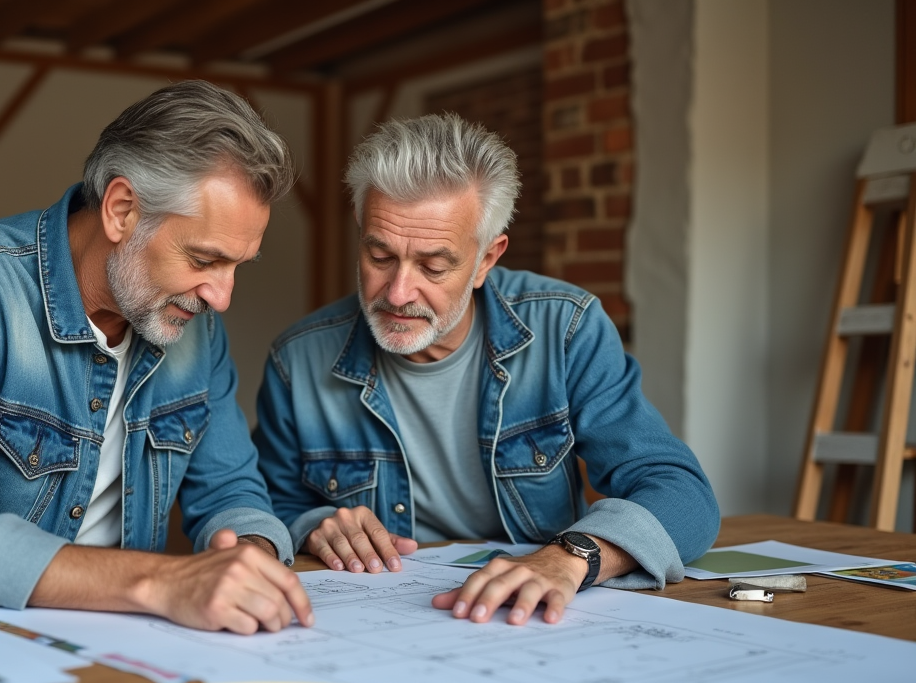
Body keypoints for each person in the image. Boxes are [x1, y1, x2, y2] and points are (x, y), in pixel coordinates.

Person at [0, 80, 313, 635]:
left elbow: (233, 491)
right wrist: (157, 583)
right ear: (121, 210)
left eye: (238, 266)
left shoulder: (197, 331)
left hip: (96, 637)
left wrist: (251, 550)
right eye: (204, 258)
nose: (222, 297)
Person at [253, 113, 718, 627]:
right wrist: (316, 522)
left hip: (526, 622)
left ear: (485, 260)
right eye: (379, 254)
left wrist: (571, 558)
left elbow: (680, 493)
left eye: (433, 267)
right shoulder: (297, 359)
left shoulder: (566, 329)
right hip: (376, 621)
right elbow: (267, 503)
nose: (398, 292)